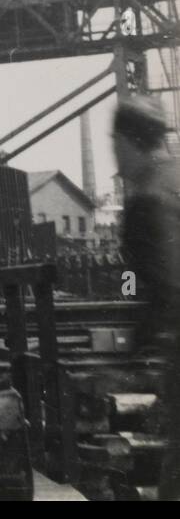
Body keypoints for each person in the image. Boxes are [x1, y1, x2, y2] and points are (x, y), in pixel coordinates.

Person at [112, 96, 179, 498]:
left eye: (114, 142)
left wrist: (140, 341)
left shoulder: (147, 198)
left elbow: (169, 287)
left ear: (127, 140)